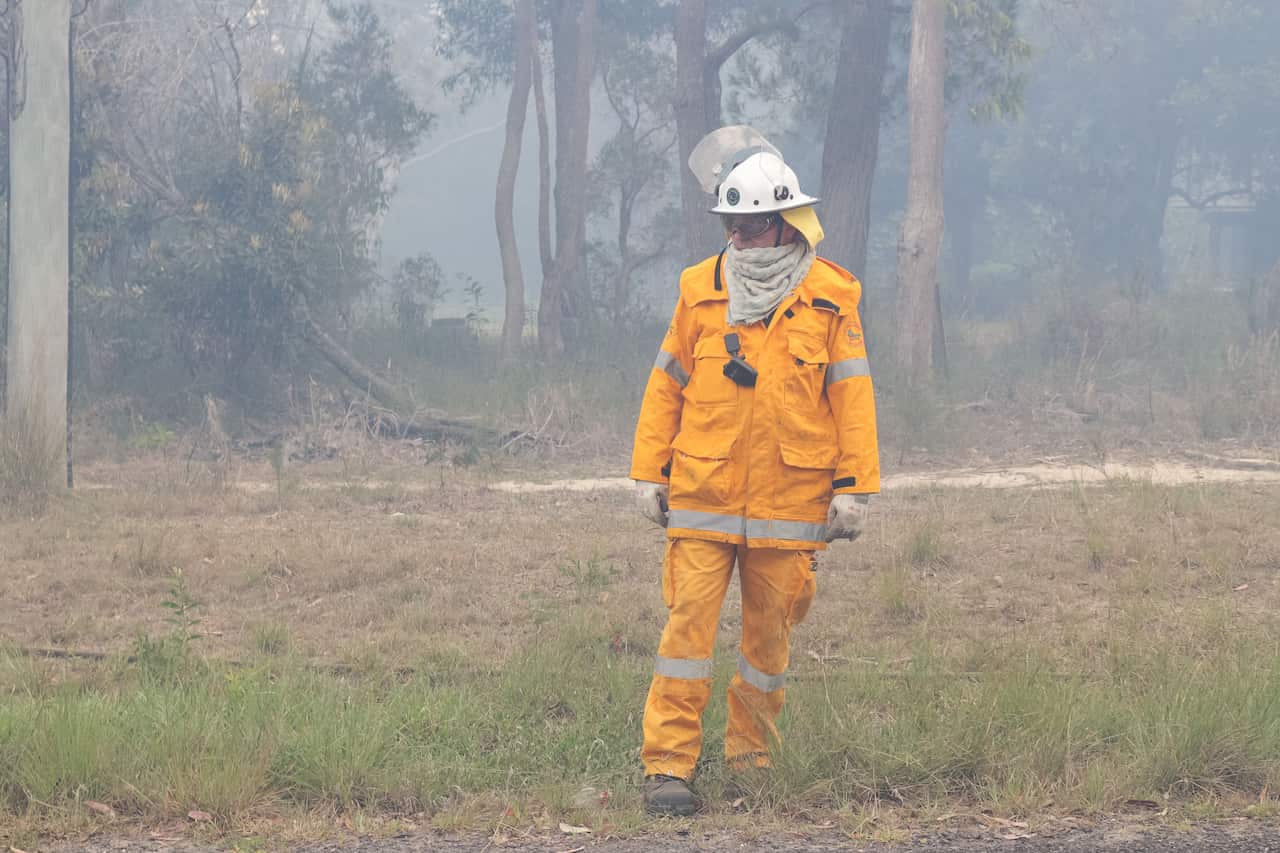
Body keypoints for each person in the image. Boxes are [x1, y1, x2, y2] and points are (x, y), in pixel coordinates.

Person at [630, 127, 881, 816]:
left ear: (784, 223)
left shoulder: (832, 297)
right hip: (703, 494)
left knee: (767, 642)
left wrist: (855, 486)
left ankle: (751, 761)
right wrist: (648, 470)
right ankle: (668, 769)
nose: (737, 240)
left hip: (791, 499)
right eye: (730, 227)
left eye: (749, 228)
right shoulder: (699, 290)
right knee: (686, 636)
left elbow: (851, 393)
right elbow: (667, 383)